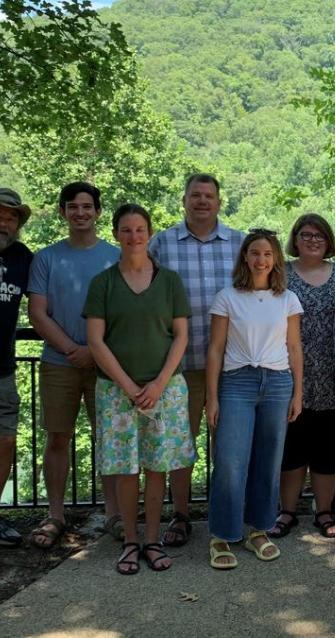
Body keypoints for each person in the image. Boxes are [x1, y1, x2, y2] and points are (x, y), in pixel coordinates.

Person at [84, 204, 195, 574]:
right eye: (126, 230)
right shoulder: (103, 283)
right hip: (116, 392)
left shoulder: (170, 281)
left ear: (149, 233)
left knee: (157, 467)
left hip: (166, 389)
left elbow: (180, 336)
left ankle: (152, 539)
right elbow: (97, 342)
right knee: (126, 470)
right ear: (116, 233)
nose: (134, 236)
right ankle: (130, 541)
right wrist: (130, 386)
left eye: (140, 229)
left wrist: (159, 382)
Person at [148, 173, 244, 547]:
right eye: (195, 195)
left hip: (232, 365)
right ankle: (182, 514)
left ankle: (228, 514)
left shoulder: (239, 243)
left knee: (230, 445)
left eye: (209, 196)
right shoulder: (163, 244)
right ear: (184, 200)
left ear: (219, 202)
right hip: (178, 365)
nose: (202, 201)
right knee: (179, 443)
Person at [27, 182, 121, 549]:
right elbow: (37, 313)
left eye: (87, 206)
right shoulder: (46, 258)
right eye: (73, 206)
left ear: (98, 212)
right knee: (58, 437)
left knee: (110, 440)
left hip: (108, 366)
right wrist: (74, 349)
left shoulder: (115, 257)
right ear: (63, 212)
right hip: (58, 362)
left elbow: (123, 313)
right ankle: (55, 514)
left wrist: (95, 352)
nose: (80, 212)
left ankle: (115, 513)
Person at [206, 229, 303, 569]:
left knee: (268, 461)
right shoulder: (227, 297)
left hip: (277, 384)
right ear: (245, 257)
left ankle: (258, 530)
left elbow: (294, 347)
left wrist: (298, 392)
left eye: (267, 253)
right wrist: (212, 397)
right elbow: (216, 349)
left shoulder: (287, 298)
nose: (261, 259)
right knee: (231, 462)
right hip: (237, 383)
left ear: (275, 259)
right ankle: (222, 535)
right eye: (255, 253)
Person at [273, 214, 335, 539]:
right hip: (290, 374)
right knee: (292, 447)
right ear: (296, 239)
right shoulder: (282, 274)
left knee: (328, 449)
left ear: (328, 239)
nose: (313, 239)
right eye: (306, 234)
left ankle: (324, 511)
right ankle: (287, 512)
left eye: (319, 234)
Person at [0, 188, 33, 548]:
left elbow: (41, 302)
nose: (3, 221)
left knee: (6, 441)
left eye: (11, 217)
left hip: (3, 371)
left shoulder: (24, 258)